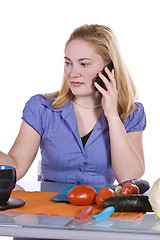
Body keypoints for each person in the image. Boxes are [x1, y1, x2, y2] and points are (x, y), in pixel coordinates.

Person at [0, 24, 146, 187]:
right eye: (68, 63)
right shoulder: (41, 108)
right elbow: (16, 168)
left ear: (109, 68)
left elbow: (129, 178)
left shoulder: (131, 113)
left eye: (83, 64)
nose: (72, 72)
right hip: (48, 208)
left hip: (101, 209)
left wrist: (112, 115)